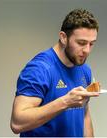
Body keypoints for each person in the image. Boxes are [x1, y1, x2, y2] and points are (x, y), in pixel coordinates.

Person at [10, 8, 99, 137]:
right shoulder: (40, 69)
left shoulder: (85, 70)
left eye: (91, 44)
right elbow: (17, 123)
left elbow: (84, 114)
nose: (87, 50)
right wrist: (65, 102)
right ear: (63, 37)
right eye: (81, 43)